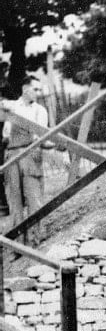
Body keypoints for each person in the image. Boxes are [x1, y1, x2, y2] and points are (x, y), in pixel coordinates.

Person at [2, 75, 52, 243]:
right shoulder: (11, 106)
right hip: (12, 154)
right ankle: (18, 243)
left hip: (31, 154)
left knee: (34, 197)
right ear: (25, 89)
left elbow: (42, 137)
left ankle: (36, 238)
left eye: (39, 89)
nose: (38, 93)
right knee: (14, 199)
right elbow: (5, 132)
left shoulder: (40, 110)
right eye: (35, 89)